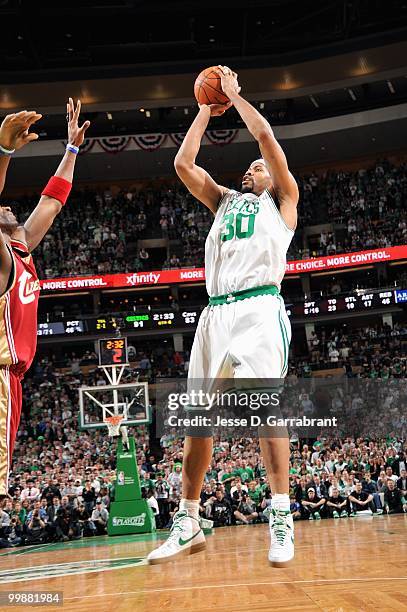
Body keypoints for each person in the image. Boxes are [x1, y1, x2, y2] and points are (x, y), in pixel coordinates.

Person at [148, 66, 298, 566]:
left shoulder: (283, 203)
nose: (253, 169)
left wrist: (236, 96)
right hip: (215, 313)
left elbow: (265, 135)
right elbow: (184, 164)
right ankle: (188, 521)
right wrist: (204, 111)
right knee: (198, 421)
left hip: (259, 308)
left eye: (260, 166)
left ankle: (281, 515)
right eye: (250, 167)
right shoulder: (225, 201)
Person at [0, 100, 90, 499]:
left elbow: (52, 202)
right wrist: (4, 152)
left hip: (12, 378)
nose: (7, 206)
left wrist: (70, 149)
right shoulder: (2, 257)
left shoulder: (22, 249)